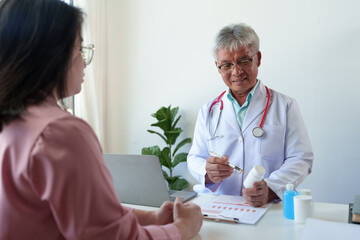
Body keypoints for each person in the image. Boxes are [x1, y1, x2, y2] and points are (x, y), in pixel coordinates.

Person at [0, 0, 202, 239]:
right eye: (79, 49)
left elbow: (79, 212)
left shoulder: (13, 122)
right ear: (52, 55)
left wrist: (150, 218)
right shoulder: (59, 132)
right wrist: (183, 228)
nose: (84, 61)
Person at [187, 23, 314, 207]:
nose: (236, 72)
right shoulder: (209, 110)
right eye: (227, 65)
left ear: (258, 58)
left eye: (244, 61)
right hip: (219, 205)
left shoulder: (285, 106)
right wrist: (207, 171)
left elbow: (301, 159)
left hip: (266, 208)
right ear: (218, 67)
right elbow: (194, 157)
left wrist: (271, 189)